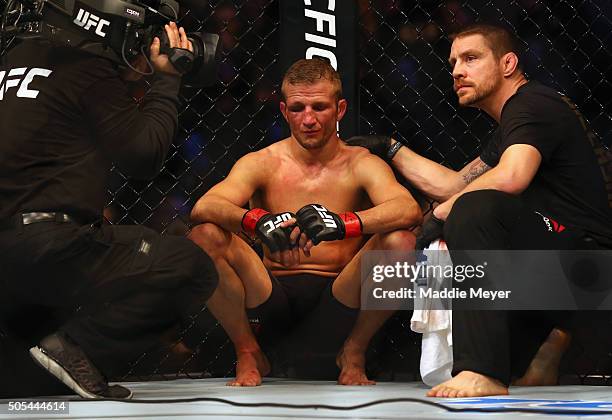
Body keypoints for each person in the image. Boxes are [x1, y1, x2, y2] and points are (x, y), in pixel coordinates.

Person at [346, 23, 612, 397]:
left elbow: (510, 177)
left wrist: (440, 215)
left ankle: (482, 370)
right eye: (453, 61)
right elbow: (457, 184)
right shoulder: (515, 121)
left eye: (471, 58)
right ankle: (546, 342)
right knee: (469, 203)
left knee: (474, 209)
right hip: (562, 268)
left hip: (590, 274)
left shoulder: (531, 105)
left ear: (508, 63)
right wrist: (390, 148)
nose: (456, 70)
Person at [0, 23, 220, 398]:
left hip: (11, 250)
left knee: (29, 374)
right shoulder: (84, 67)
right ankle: (77, 349)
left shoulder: (11, 61)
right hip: (53, 246)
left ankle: (44, 365)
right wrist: (167, 79)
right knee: (188, 264)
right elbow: (143, 155)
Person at [189, 58, 422, 387]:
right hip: (272, 296)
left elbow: (407, 209)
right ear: (284, 112)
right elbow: (205, 206)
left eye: (319, 107)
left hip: (340, 298)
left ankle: (354, 351)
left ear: (339, 109)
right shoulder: (263, 162)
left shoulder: (360, 164)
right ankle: (247, 350)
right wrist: (255, 220)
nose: (308, 119)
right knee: (205, 235)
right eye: (298, 108)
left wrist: (344, 224)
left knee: (401, 242)